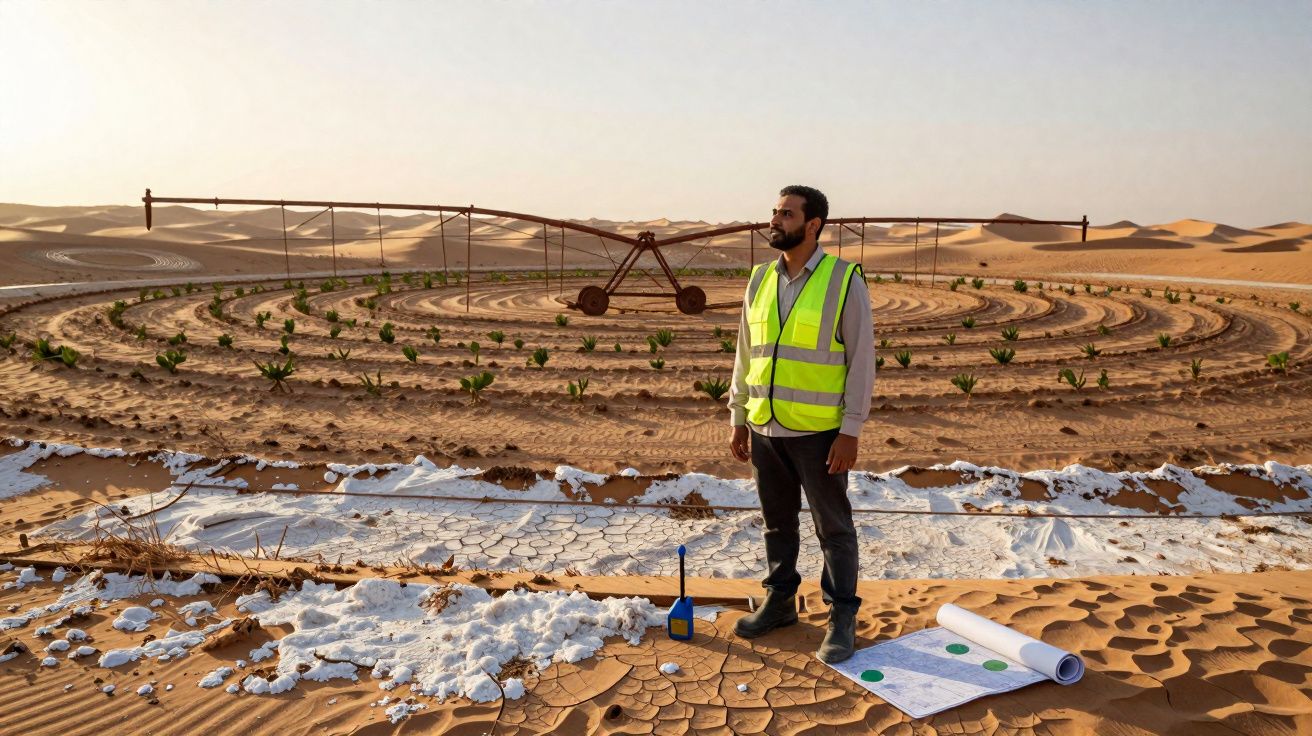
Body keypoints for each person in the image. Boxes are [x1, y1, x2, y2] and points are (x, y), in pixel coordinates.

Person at [727, 185, 875, 664]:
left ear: (813, 225)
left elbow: (861, 360)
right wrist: (738, 416)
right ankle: (780, 602)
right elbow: (746, 353)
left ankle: (842, 616)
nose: (774, 220)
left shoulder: (843, 279)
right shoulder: (759, 279)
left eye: (786, 214)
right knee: (777, 524)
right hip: (765, 427)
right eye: (774, 211)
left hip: (819, 435)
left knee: (833, 528)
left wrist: (850, 429)